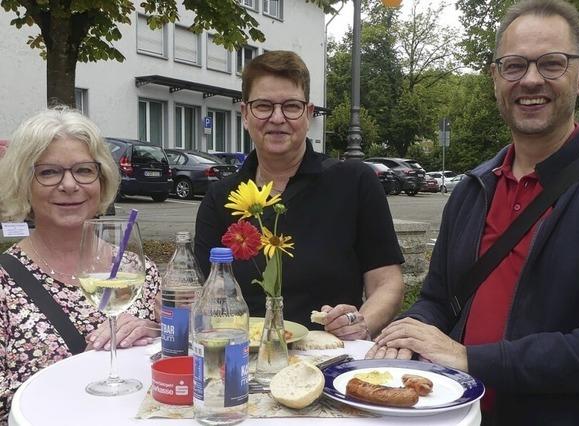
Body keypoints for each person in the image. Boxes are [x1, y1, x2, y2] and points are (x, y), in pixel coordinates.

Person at [367, 0, 579, 424]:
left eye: (551, 63)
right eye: (514, 66)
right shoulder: (473, 189)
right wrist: (405, 331)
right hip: (457, 416)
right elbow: (441, 299)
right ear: (496, 78)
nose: (531, 80)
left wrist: (470, 358)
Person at [195, 50, 404, 340]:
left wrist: (361, 321)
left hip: (331, 356)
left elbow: (388, 283)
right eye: (264, 106)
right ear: (245, 114)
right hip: (243, 358)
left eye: (291, 106)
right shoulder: (221, 197)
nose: (277, 118)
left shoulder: (354, 182)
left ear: (308, 113)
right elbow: (200, 292)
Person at [0, 108, 160, 421]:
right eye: (48, 172)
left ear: (101, 180)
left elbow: (174, 357)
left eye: (84, 170)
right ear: (23, 183)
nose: (70, 185)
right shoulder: (5, 283)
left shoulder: (138, 268)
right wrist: (75, 375)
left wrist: (155, 331)